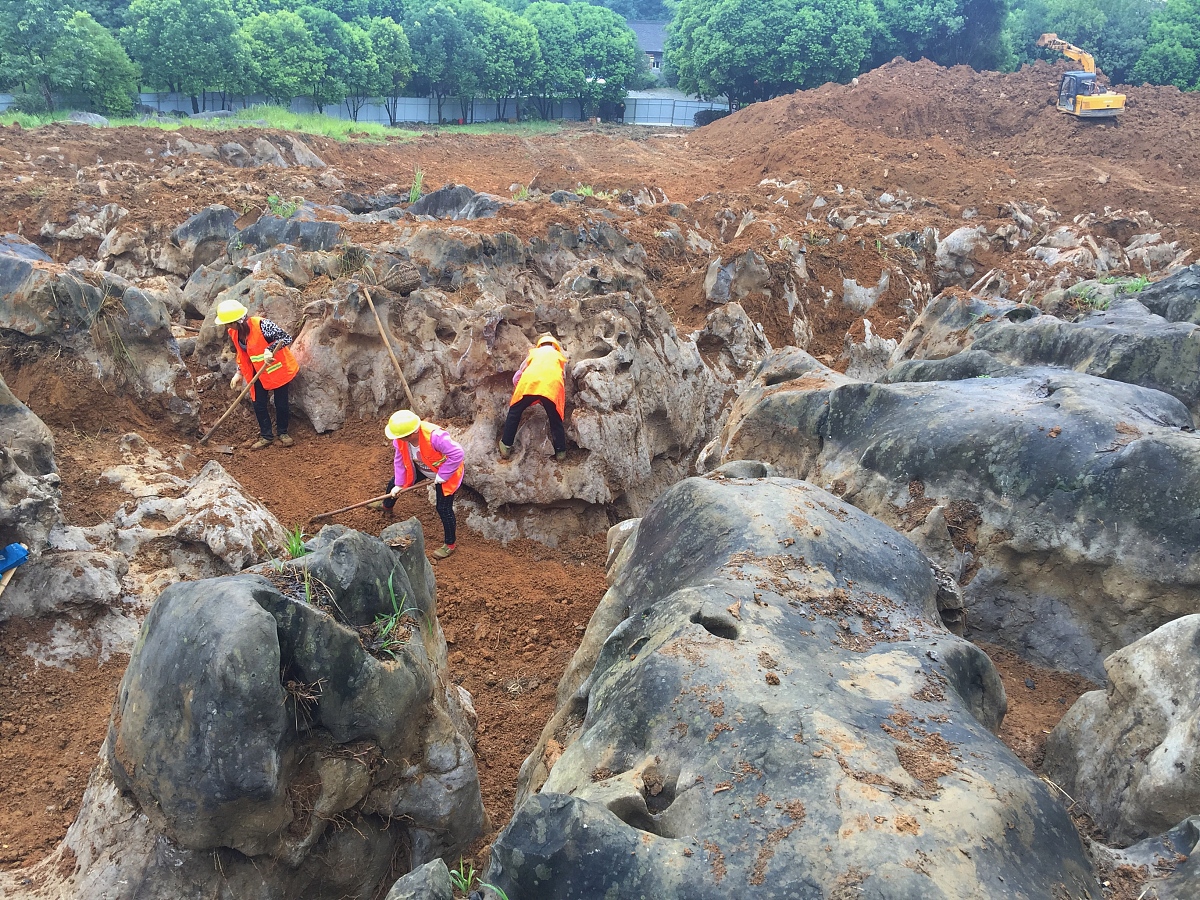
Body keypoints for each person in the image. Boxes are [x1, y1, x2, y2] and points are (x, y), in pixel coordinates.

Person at [215, 299, 298, 450]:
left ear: (238, 321)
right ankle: (266, 436)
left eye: (229, 323)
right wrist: (239, 373)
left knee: (281, 403)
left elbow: (286, 338)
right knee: (258, 403)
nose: (227, 327)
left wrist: (270, 349)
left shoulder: (262, 325)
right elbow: (242, 354)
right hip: (256, 373)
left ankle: (283, 433)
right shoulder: (233, 332)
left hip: (276, 369)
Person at [382, 410, 464, 560]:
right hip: (420, 468)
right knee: (393, 483)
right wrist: (400, 484)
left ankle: (450, 544)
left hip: (444, 474)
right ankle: (386, 506)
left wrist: (443, 475)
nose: (398, 439)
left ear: (412, 433)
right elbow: (399, 460)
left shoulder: (436, 437)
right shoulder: (401, 440)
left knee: (443, 508)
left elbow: (457, 454)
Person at [499, 333, 568, 461]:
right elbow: (562, 377)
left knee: (515, 412)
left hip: (529, 384)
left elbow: (518, 374)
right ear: (556, 347)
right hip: (551, 387)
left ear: (540, 345)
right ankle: (561, 451)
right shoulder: (560, 357)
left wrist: (519, 388)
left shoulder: (533, 353)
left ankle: (506, 446)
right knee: (555, 419)